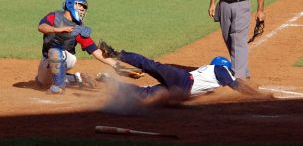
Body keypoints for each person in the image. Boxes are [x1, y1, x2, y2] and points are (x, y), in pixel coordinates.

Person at [96, 41, 264, 105]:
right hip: (182, 85)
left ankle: (112, 78)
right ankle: (115, 58)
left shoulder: (211, 70)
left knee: (148, 81)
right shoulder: (221, 70)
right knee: (148, 80)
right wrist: (255, 94)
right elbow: (235, 85)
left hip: (181, 83)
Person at [35, 0, 120, 94]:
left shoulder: (78, 29)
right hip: (47, 59)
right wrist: (57, 30)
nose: (82, 10)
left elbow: (95, 51)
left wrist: (115, 64)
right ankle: (76, 78)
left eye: (84, 8)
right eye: (81, 6)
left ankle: (59, 87)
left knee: (55, 52)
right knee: (42, 83)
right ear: (70, 4)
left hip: (67, 58)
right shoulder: (54, 17)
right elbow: (41, 27)